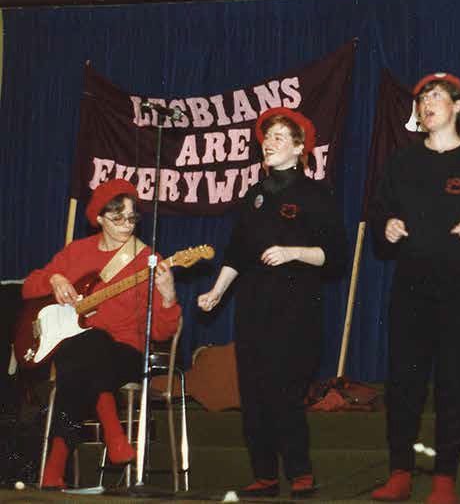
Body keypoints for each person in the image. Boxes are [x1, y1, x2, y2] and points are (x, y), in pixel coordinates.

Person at [197, 107, 346, 499]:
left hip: (296, 310)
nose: (270, 142)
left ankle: (300, 472)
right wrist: (217, 290)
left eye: (281, 137)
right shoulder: (255, 196)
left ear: (300, 148)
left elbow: (335, 255)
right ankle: (263, 474)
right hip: (253, 308)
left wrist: (292, 251)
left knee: (282, 391)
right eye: (268, 136)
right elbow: (237, 252)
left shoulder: (316, 195)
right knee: (253, 391)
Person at [366, 72, 460, 504]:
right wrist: (387, 226)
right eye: (422, 98)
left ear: (459, 106)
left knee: (455, 384)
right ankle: (399, 472)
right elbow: (379, 220)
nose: (426, 104)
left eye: (436, 96)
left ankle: (444, 479)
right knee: (404, 384)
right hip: (412, 289)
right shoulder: (402, 163)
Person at [23, 178, 181, 489]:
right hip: (84, 355)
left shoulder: (148, 259)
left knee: (80, 356)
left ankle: (54, 468)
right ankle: (112, 432)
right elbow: (29, 287)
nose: (127, 224)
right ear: (98, 218)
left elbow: (163, 332)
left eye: (133, 217)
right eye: (118, 217)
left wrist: (168, 296)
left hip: (126, 352)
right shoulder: (78, 252)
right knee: (82, 351)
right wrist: (54, 278)